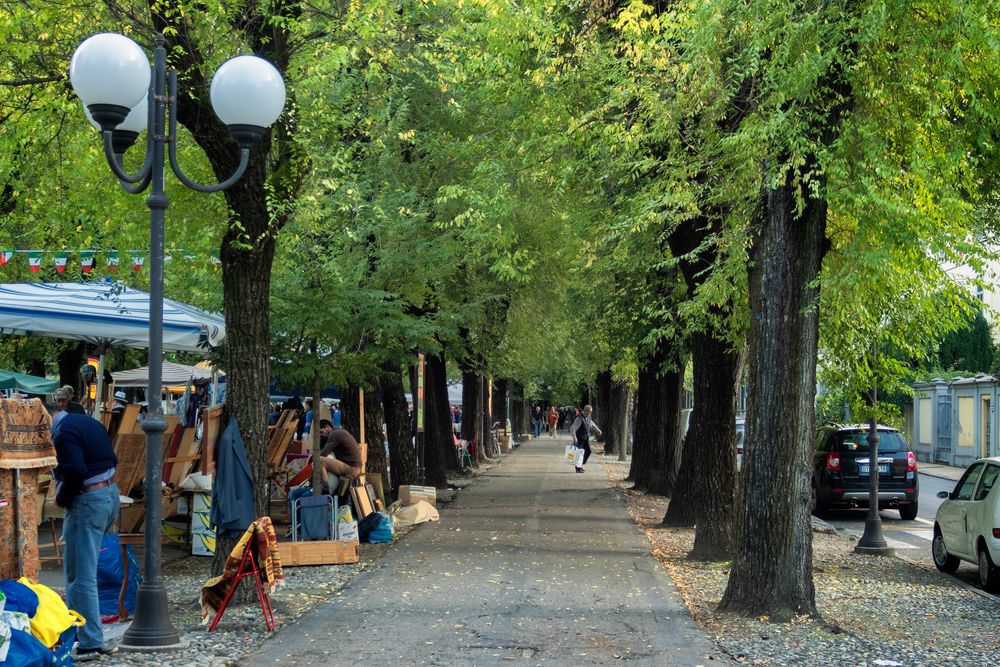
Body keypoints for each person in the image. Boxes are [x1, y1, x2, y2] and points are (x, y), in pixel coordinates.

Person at [48, 405, 119, 660]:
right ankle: (87, 635)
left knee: (80, 575)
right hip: (108, 494)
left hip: (88, 500)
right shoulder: (86, 422)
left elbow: (76, 471)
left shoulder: (63, 433)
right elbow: (112, 457)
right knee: (85, 571)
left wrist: (62, 497)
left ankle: (89, 642)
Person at [570, 405, 602, 473]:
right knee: (579, 453)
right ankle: (578, 468)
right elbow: (573, 428)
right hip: (579, 438)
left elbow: (592, 424)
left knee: (588, 451)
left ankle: (580, 465)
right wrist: (574, 437)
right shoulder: (579, 418)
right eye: (590, 411)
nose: (590, 413)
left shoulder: (588, 416)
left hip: (585, 437)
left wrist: (598, 430)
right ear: (586, 410)